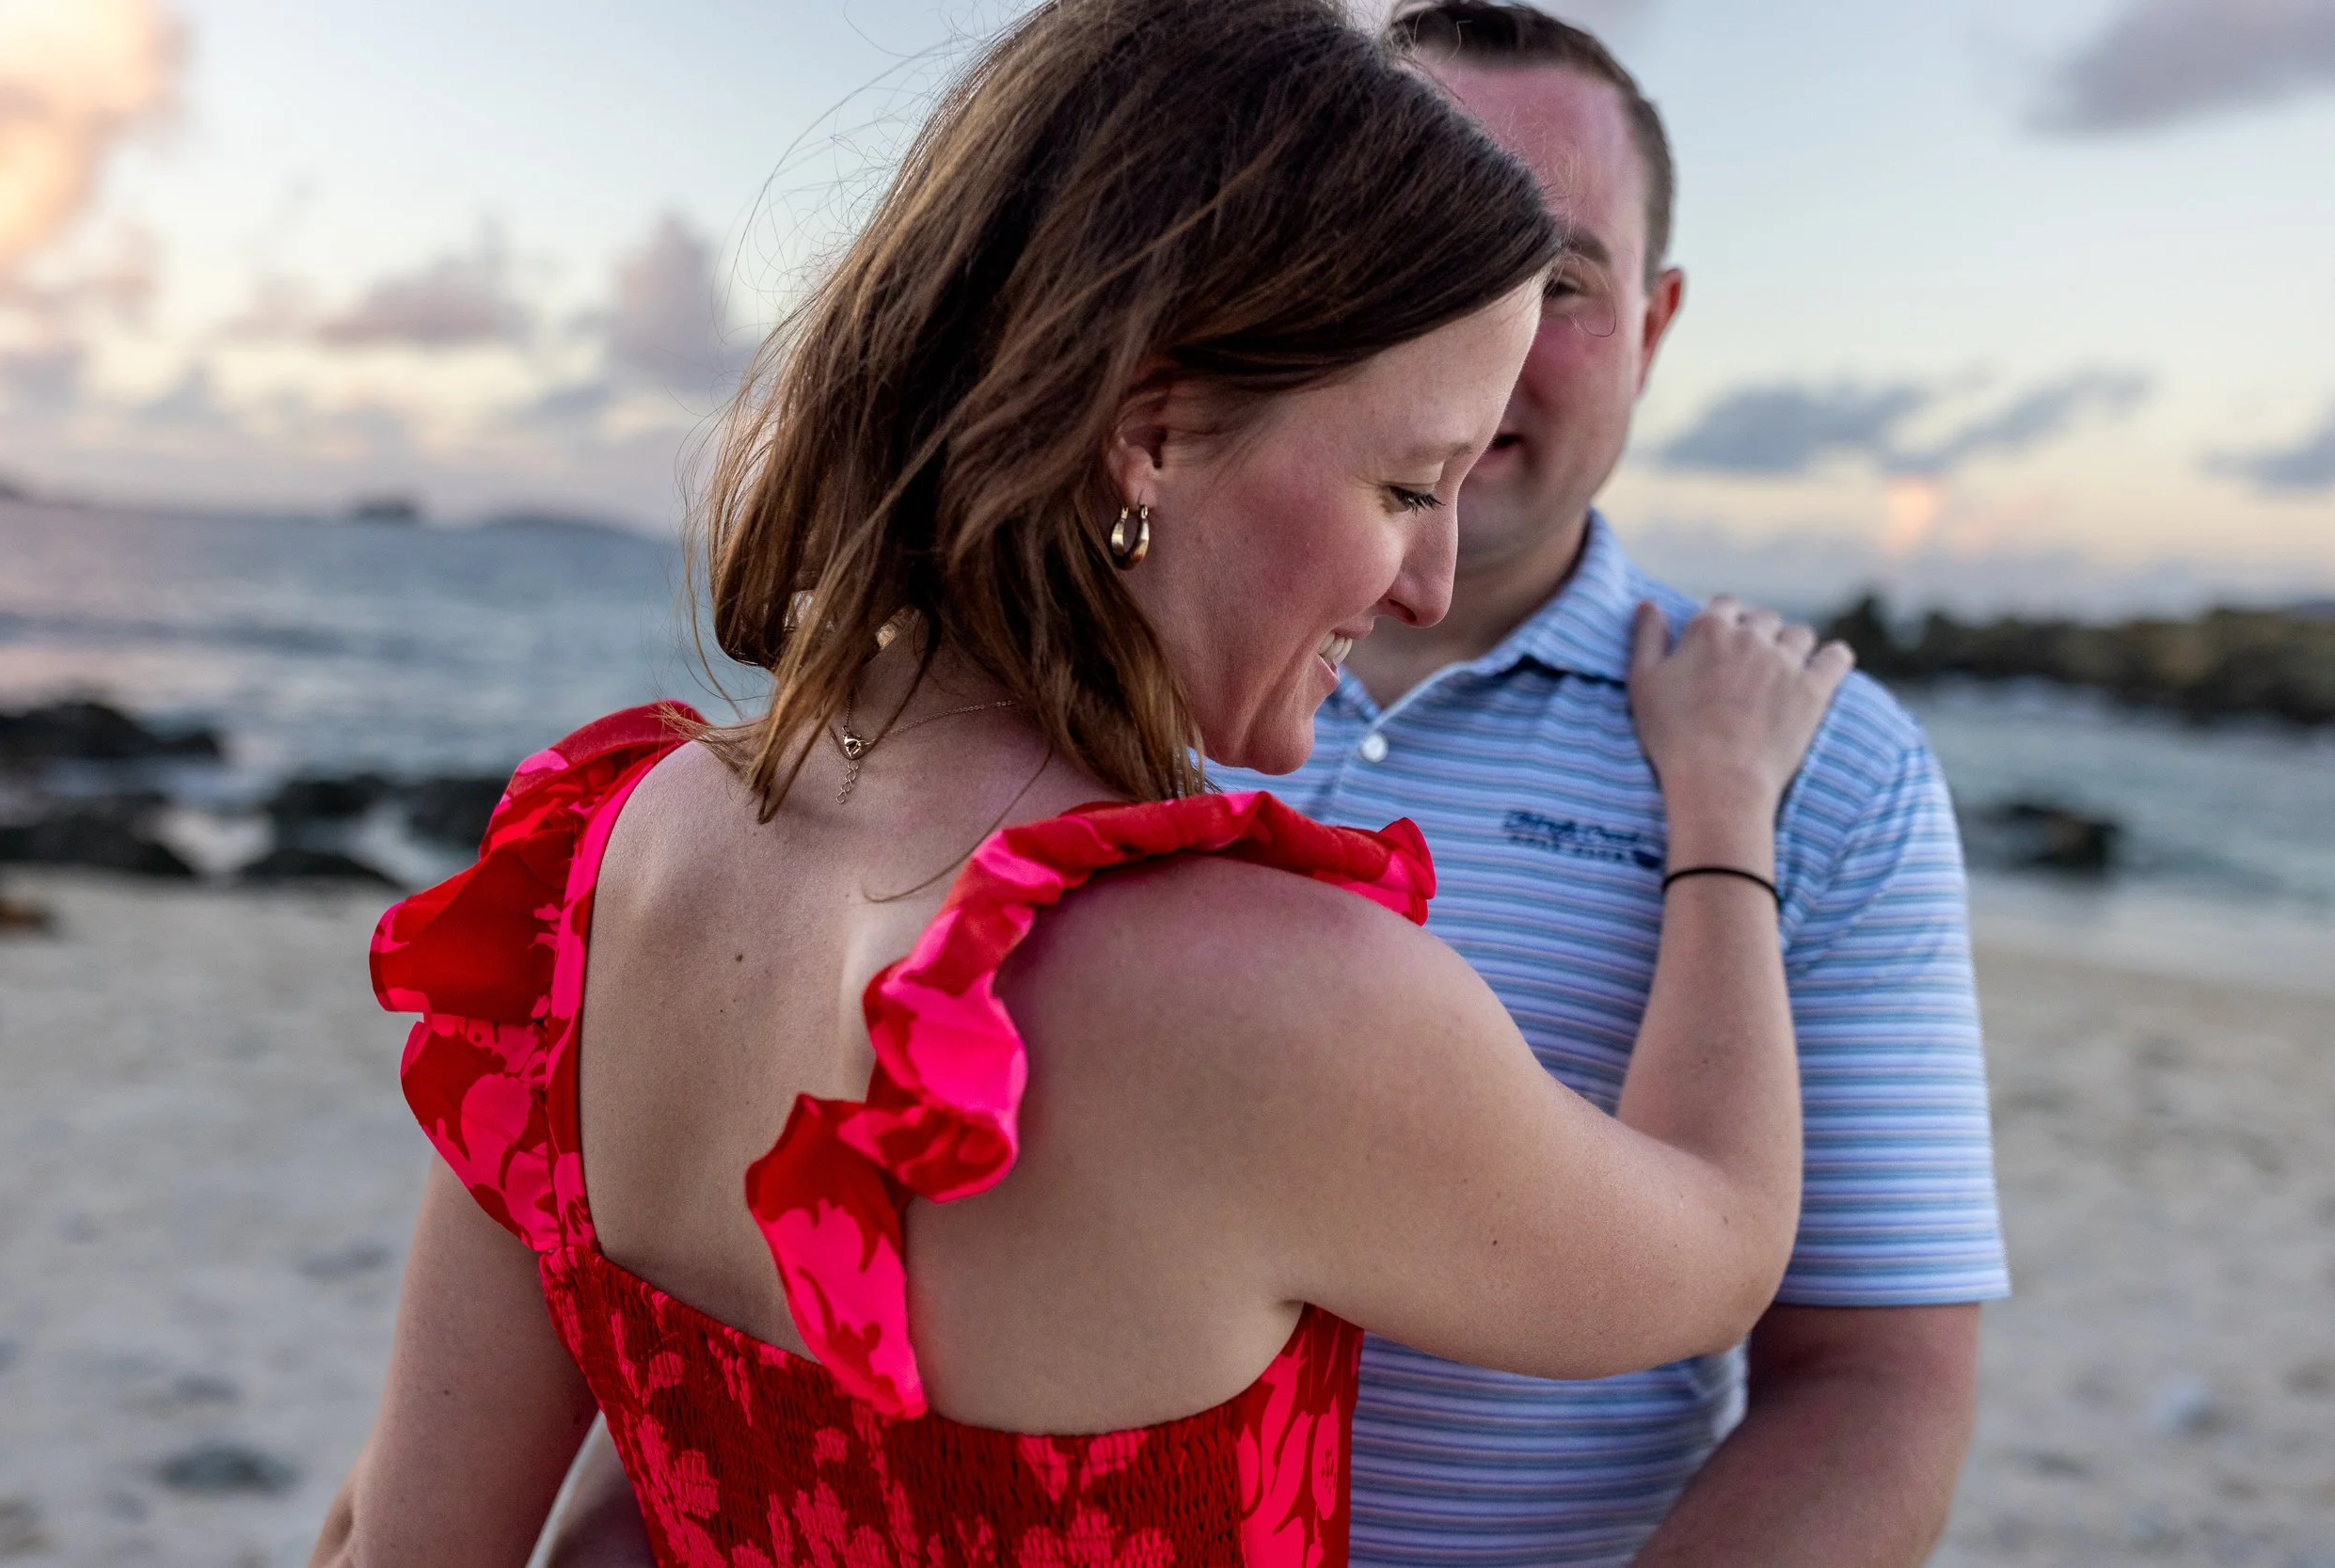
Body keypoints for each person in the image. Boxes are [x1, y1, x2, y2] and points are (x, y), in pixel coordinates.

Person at [309, 1, 1853, 1564]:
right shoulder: (1273, 998)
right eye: (1403, 485)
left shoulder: (588, 866)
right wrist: (1725, 813)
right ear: (1154, 430)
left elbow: (408, 1537)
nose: (1427, 577)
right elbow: (1716, 1248)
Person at [1218, 7, 2013, 1566]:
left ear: (1652, 327)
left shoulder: (1822, 766)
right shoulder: (1065, 682)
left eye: (1559, 281)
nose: (1484, 334)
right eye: (1409, 245)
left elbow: (1874, 1379)